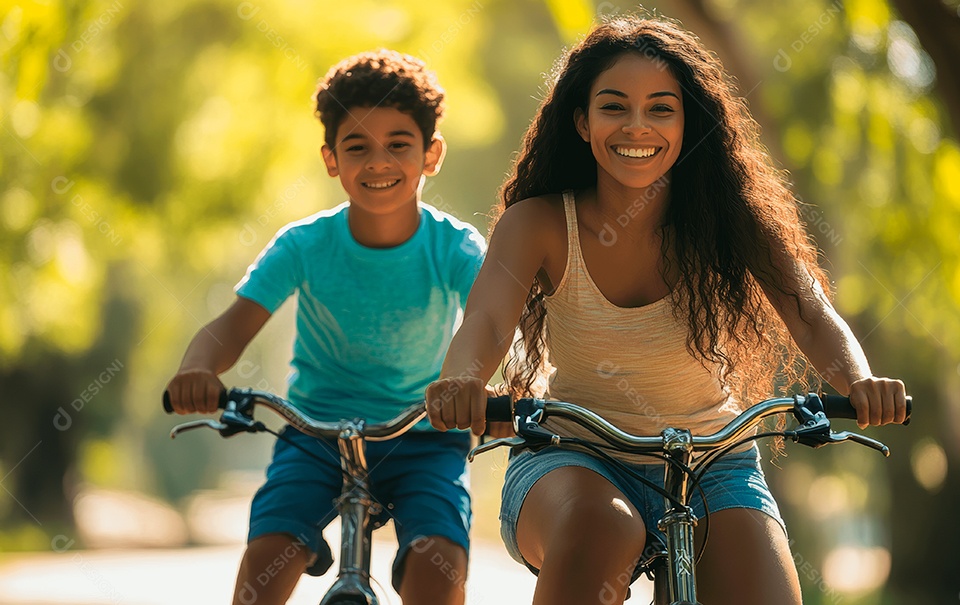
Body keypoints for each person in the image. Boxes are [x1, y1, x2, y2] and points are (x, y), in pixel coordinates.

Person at [425, 17, 907, 605]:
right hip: (573, 456)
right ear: (582, 121)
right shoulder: (540, 223)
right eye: (614, 107)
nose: (637, 127)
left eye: (660, 109)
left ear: (687, 125)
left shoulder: (733, 221)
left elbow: (809, 312)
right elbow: (490, 322)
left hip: (712, 461)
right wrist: (464, 380)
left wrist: (858, 382)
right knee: (604, 528)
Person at [165, 50, 485, 605]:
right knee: (269, 552)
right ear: (331, 159)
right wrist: (197, 369)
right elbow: (231, 326)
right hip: (316, 433)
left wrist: (480, 387)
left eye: (398, 144)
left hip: (426, 436)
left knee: (441, 565)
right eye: (356, 146)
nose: (377, 162)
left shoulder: (455, 248)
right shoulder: (303, 245)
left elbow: (489, 323)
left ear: (431, 155)